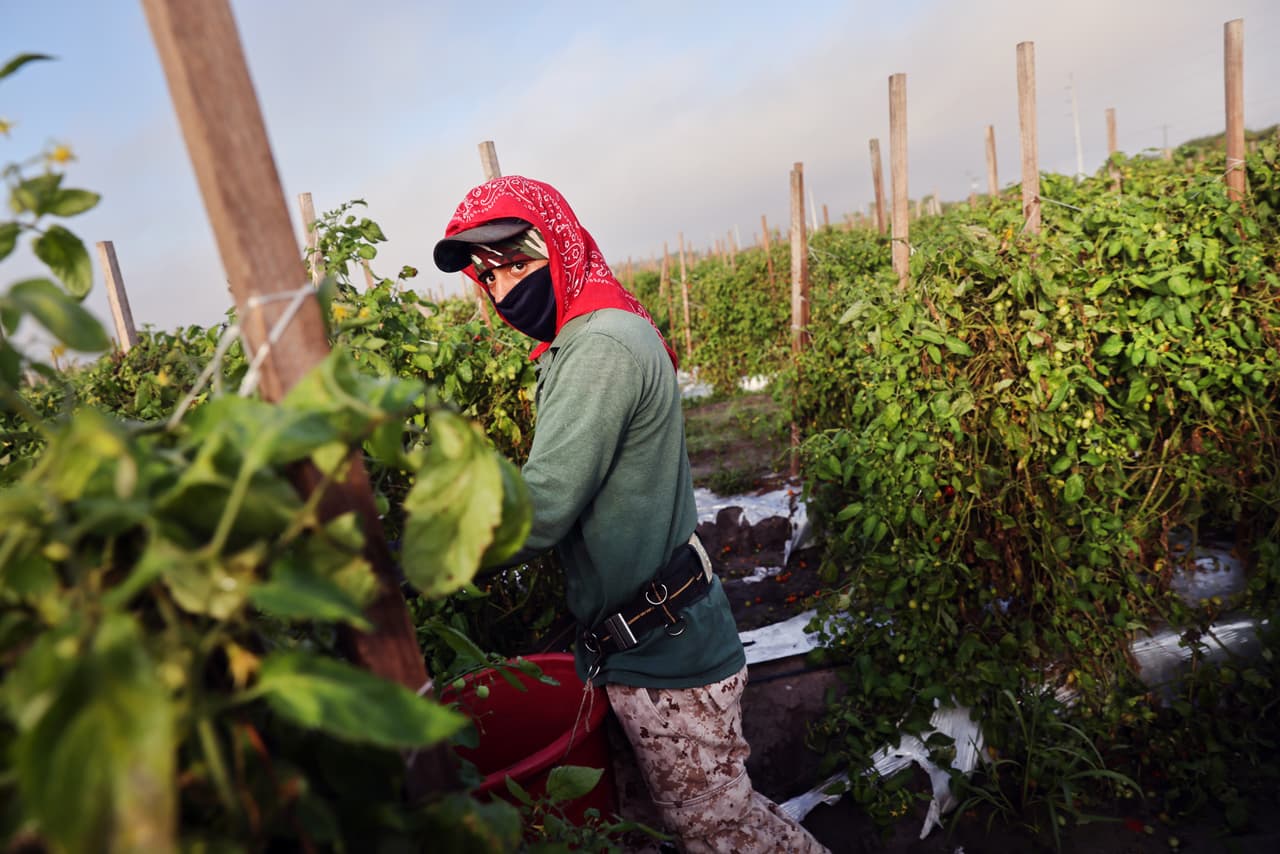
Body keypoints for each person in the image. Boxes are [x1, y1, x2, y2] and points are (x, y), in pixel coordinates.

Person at [433, 176, 828, 853]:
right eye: (487, 276)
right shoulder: (581, 339)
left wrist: (426, 554)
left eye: (516, 264)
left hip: (667, 651)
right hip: (640, 641)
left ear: (558, 248)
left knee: (719, 829)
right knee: (706, 818)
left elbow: (545, 508)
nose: (501, 290)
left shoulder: (600, 349)